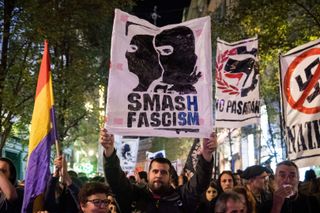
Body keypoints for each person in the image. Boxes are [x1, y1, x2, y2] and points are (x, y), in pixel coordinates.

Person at [100, 128, 217, 212]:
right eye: (155, 171)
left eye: (163, 172)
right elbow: (115, 179)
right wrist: (109, 152)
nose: (159, 175)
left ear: (170, 177)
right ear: (148, 174)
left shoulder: (182, 197)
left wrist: (206, 155)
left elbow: (200, 182)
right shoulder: (134, 195)